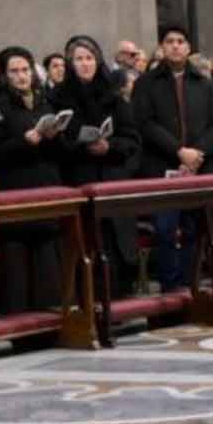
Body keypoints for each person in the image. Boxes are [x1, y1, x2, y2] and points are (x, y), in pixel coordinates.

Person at [130, 22, 213, 292]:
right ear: (162, 46)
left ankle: (190, 284)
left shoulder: (205, 84)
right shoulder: (146, 83)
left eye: (180, 41)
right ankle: (170, 289)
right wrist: (178, 151)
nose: (175, 45)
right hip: (163, 168)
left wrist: (197, 154)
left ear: (189, 47)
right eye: (170, 41)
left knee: (195, 229)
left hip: (198, 168)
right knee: (165, 230)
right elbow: (145, 123)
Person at [0, 48, 67, 316]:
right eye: (14, 71)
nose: (22, 76)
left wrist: (54, 136)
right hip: (16, 188)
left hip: (47, 184)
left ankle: (52, 319)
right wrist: (23, 142)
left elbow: (62, 149)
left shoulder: (45, 101)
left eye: (26, 70)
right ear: (4, 76)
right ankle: (20, 322)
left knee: (48, 255)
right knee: (17, 259)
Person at [56, 35, 141, 292]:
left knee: (116, 243)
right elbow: (57, 140)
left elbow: (132, 139)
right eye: (79, 59)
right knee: (87, 244)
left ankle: (119, 297)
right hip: (78, 178)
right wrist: (79, 144)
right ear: (70, 64)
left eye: (89, 58)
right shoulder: (58, 97)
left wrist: (109, 146)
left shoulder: (113, 96)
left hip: (112, 177)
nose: (85, 64)